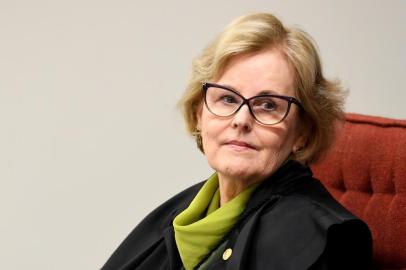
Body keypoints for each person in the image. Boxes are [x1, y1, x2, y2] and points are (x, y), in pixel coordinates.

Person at [101, 12, 372, 270]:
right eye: (228, 98)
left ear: (302, 132)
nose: (242, 119)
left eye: (268, 105)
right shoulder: (185, 213)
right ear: (199, 114)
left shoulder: (326, 240)